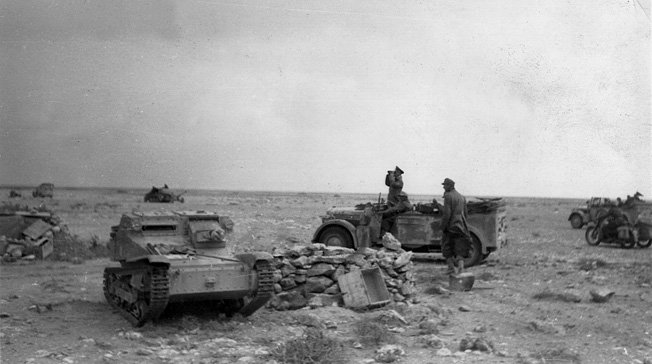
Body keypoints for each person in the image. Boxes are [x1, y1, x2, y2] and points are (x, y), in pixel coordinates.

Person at [440, 178, 472, 275]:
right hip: (461, 226)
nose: (444, 187)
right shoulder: (462, 197)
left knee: (446, 246)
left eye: (445, 185)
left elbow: (447, 214)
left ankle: (450, 268)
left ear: (450, 186)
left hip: (451, 226)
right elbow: (465, 214)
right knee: (460, 248)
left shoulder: (448, 196)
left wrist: (443, 226)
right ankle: (461, 269)